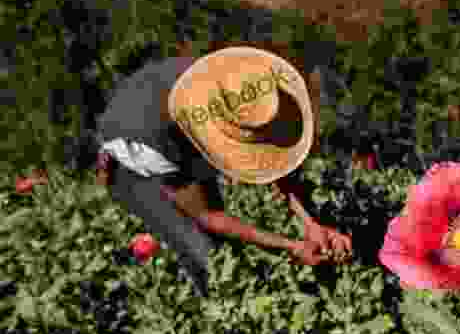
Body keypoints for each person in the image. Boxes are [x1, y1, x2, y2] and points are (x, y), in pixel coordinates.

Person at [93, 39, 352, 297]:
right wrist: (291, 245)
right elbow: (208, 215)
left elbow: (274, 160)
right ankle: (214, 311)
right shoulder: (154, 140)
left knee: (222, 247)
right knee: (208, 256)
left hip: (165, 111)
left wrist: (311, 223)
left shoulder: (233, 84)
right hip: (134, 159)